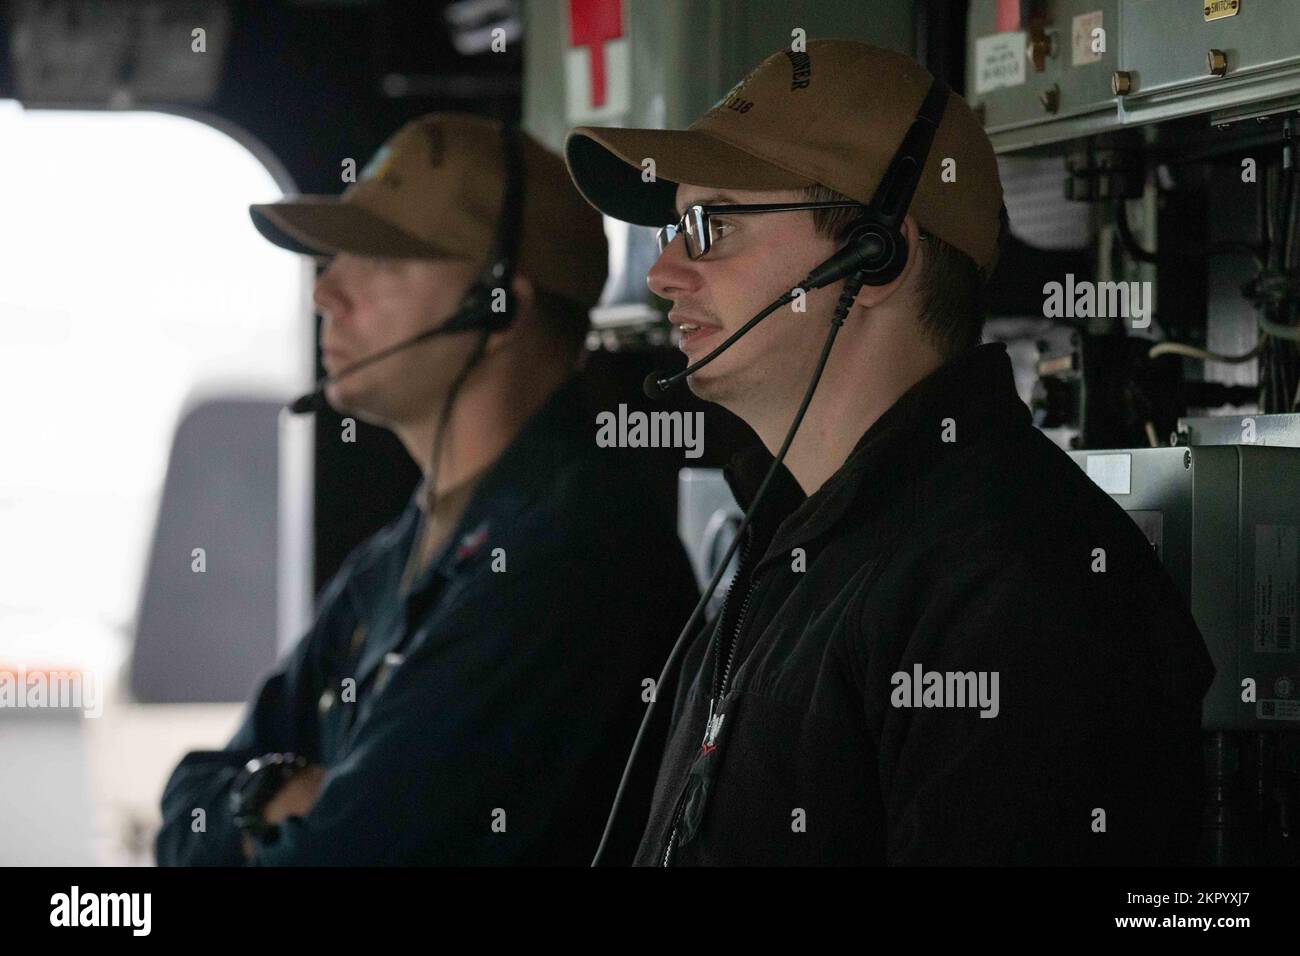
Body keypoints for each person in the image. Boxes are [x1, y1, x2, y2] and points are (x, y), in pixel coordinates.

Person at [564, 40, 1215, 865]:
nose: (662, 272)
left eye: (710, 226)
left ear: (876, 256)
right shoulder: (795, 539)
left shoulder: (1012, 590)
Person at [155, 112, 699, 865]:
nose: (328, 291)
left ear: (498, 306)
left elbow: (341, 860)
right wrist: (266, 799)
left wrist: (269, 814)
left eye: (380, 262)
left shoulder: (571, 557)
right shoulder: (396, 557)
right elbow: (183, 808)